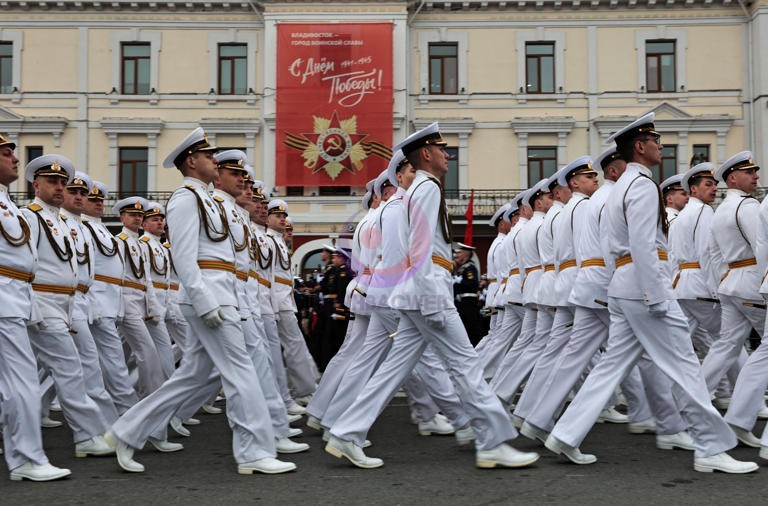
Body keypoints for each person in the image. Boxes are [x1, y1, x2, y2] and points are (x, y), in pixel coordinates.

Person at [544, 112, 757, 473]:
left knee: (610, 367)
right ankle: (710, 447)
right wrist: (656, 295)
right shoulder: (641, 185)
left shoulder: (621, 186)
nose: (661, 146)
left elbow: (618, 246)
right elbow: (643, 245)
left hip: (625, 286)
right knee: (686, 366)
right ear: (640, 147)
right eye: (656, 141)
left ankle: (565, 434)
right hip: (645, 286)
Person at [326, 122, 539, 470]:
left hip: (416, 292)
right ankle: (492, 441)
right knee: (466, 365)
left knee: (393, 369)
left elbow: (403, 250)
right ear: (426, 154)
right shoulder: (427, 188)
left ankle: (346, 433)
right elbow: (420, 249)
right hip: (428, 292)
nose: (447, 155)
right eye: (442, 149)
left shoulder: (415, 191)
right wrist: (430, 297)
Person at [105, 127, 295, 475]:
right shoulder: (185, 199)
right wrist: (205, 300)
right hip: (209, 299)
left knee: (191, 377)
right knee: (241, 373)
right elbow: (185, 256)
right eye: (209, 156)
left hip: (223, 297)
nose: (214, 161)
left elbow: (229, 260)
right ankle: (253, 451)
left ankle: (126, 431)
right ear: (192, 161)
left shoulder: (208, 200)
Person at [21, 154, 112, 459]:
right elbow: (24, 264)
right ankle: (87, 435)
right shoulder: (29, 217)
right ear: (36, 184)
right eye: (52, 182)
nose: (59, 187)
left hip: (68, 303)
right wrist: (30, 303)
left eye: (63, 182)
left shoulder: (62, 222)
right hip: (42, 302)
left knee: (26, 373)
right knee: (69, 369)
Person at [0, 134, 71, 481]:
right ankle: (26, 458)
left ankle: (22, 454)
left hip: (16, 296)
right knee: (22, 381)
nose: (14, 159)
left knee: (16, 381)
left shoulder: (7, 202)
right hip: (3, 297)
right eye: (5, 153)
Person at [82, 181, 138, 415]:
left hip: (109, 300)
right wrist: (92, 303)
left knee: (104, 361)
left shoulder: (100, 228)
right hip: (96, 301)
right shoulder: (83, 227)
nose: (98, 204)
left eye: (101, 200)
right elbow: (87, 269)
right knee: (107, 361)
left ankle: (122, 407)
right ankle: (127, 409)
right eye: (93, 200)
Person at [266, 199, 320, 400]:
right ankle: (304, 389)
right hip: (276, 301)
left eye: (284, 216)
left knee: (292, 345)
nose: (282, 220)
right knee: (293, 345)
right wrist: (274, 304)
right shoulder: (269, 241)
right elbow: (268, 276)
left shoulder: (279, 242)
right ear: (268, 218)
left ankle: (303, 386)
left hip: (284, 300)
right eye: (277, 216)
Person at [453, 243, 482, 345]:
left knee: (472, 327)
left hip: (468, 303)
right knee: (465, 327)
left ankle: (476, 347)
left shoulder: (470, 267)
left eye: (460, 252)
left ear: (467, 253)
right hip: (462, 303)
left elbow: (472, 283)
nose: (458, 254)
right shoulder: (462, 267)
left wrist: (459, 282)